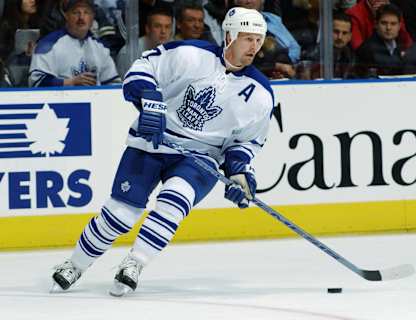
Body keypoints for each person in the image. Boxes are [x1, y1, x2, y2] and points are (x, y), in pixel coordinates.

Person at [50, 7, 274, 297]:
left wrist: (241, 173)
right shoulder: (190, 54)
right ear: (229, 36)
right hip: (154, 141)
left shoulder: (260, 93)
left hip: (200, 158)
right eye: (247, 38)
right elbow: (142, 69)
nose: (254, 47)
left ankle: (134, 264)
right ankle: (76, 264)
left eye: (258, 40)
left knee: (174, 201)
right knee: (120, 215)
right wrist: (150, 100)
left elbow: (246, 142)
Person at [28, 0, 120, 87]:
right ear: (66, 15)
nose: (81, 17)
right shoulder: (48, 44)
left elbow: (114, 83)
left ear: (92, 17)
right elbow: (36, 81)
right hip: (61, 102)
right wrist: (70, 82)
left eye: (86, 12)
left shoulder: (100, 48)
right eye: (76, 12)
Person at [116, 7, 173, 77]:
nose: (163, 31)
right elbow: (125, 84)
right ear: (147, 29)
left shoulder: (177, 50)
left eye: (167, 27)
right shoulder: (128, 53)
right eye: (157, 26)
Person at [356, 4, 406, 77]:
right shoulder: (367, 49)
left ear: (399, 26)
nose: (388, 28)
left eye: (393, 24)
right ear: (376, 24)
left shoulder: (402, 46)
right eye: (384, 23)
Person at [346, 0, 413, 50]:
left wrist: (389, 14)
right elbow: (358, 48)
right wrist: (377, 17)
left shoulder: (394, 11)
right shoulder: (353, 14)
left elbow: (407, 42)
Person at [332, 12, 356, 78]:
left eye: (344, 33)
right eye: (336, 32)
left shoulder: (355, 58)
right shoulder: (314, 55)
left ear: (350, 36)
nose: (340, 37)